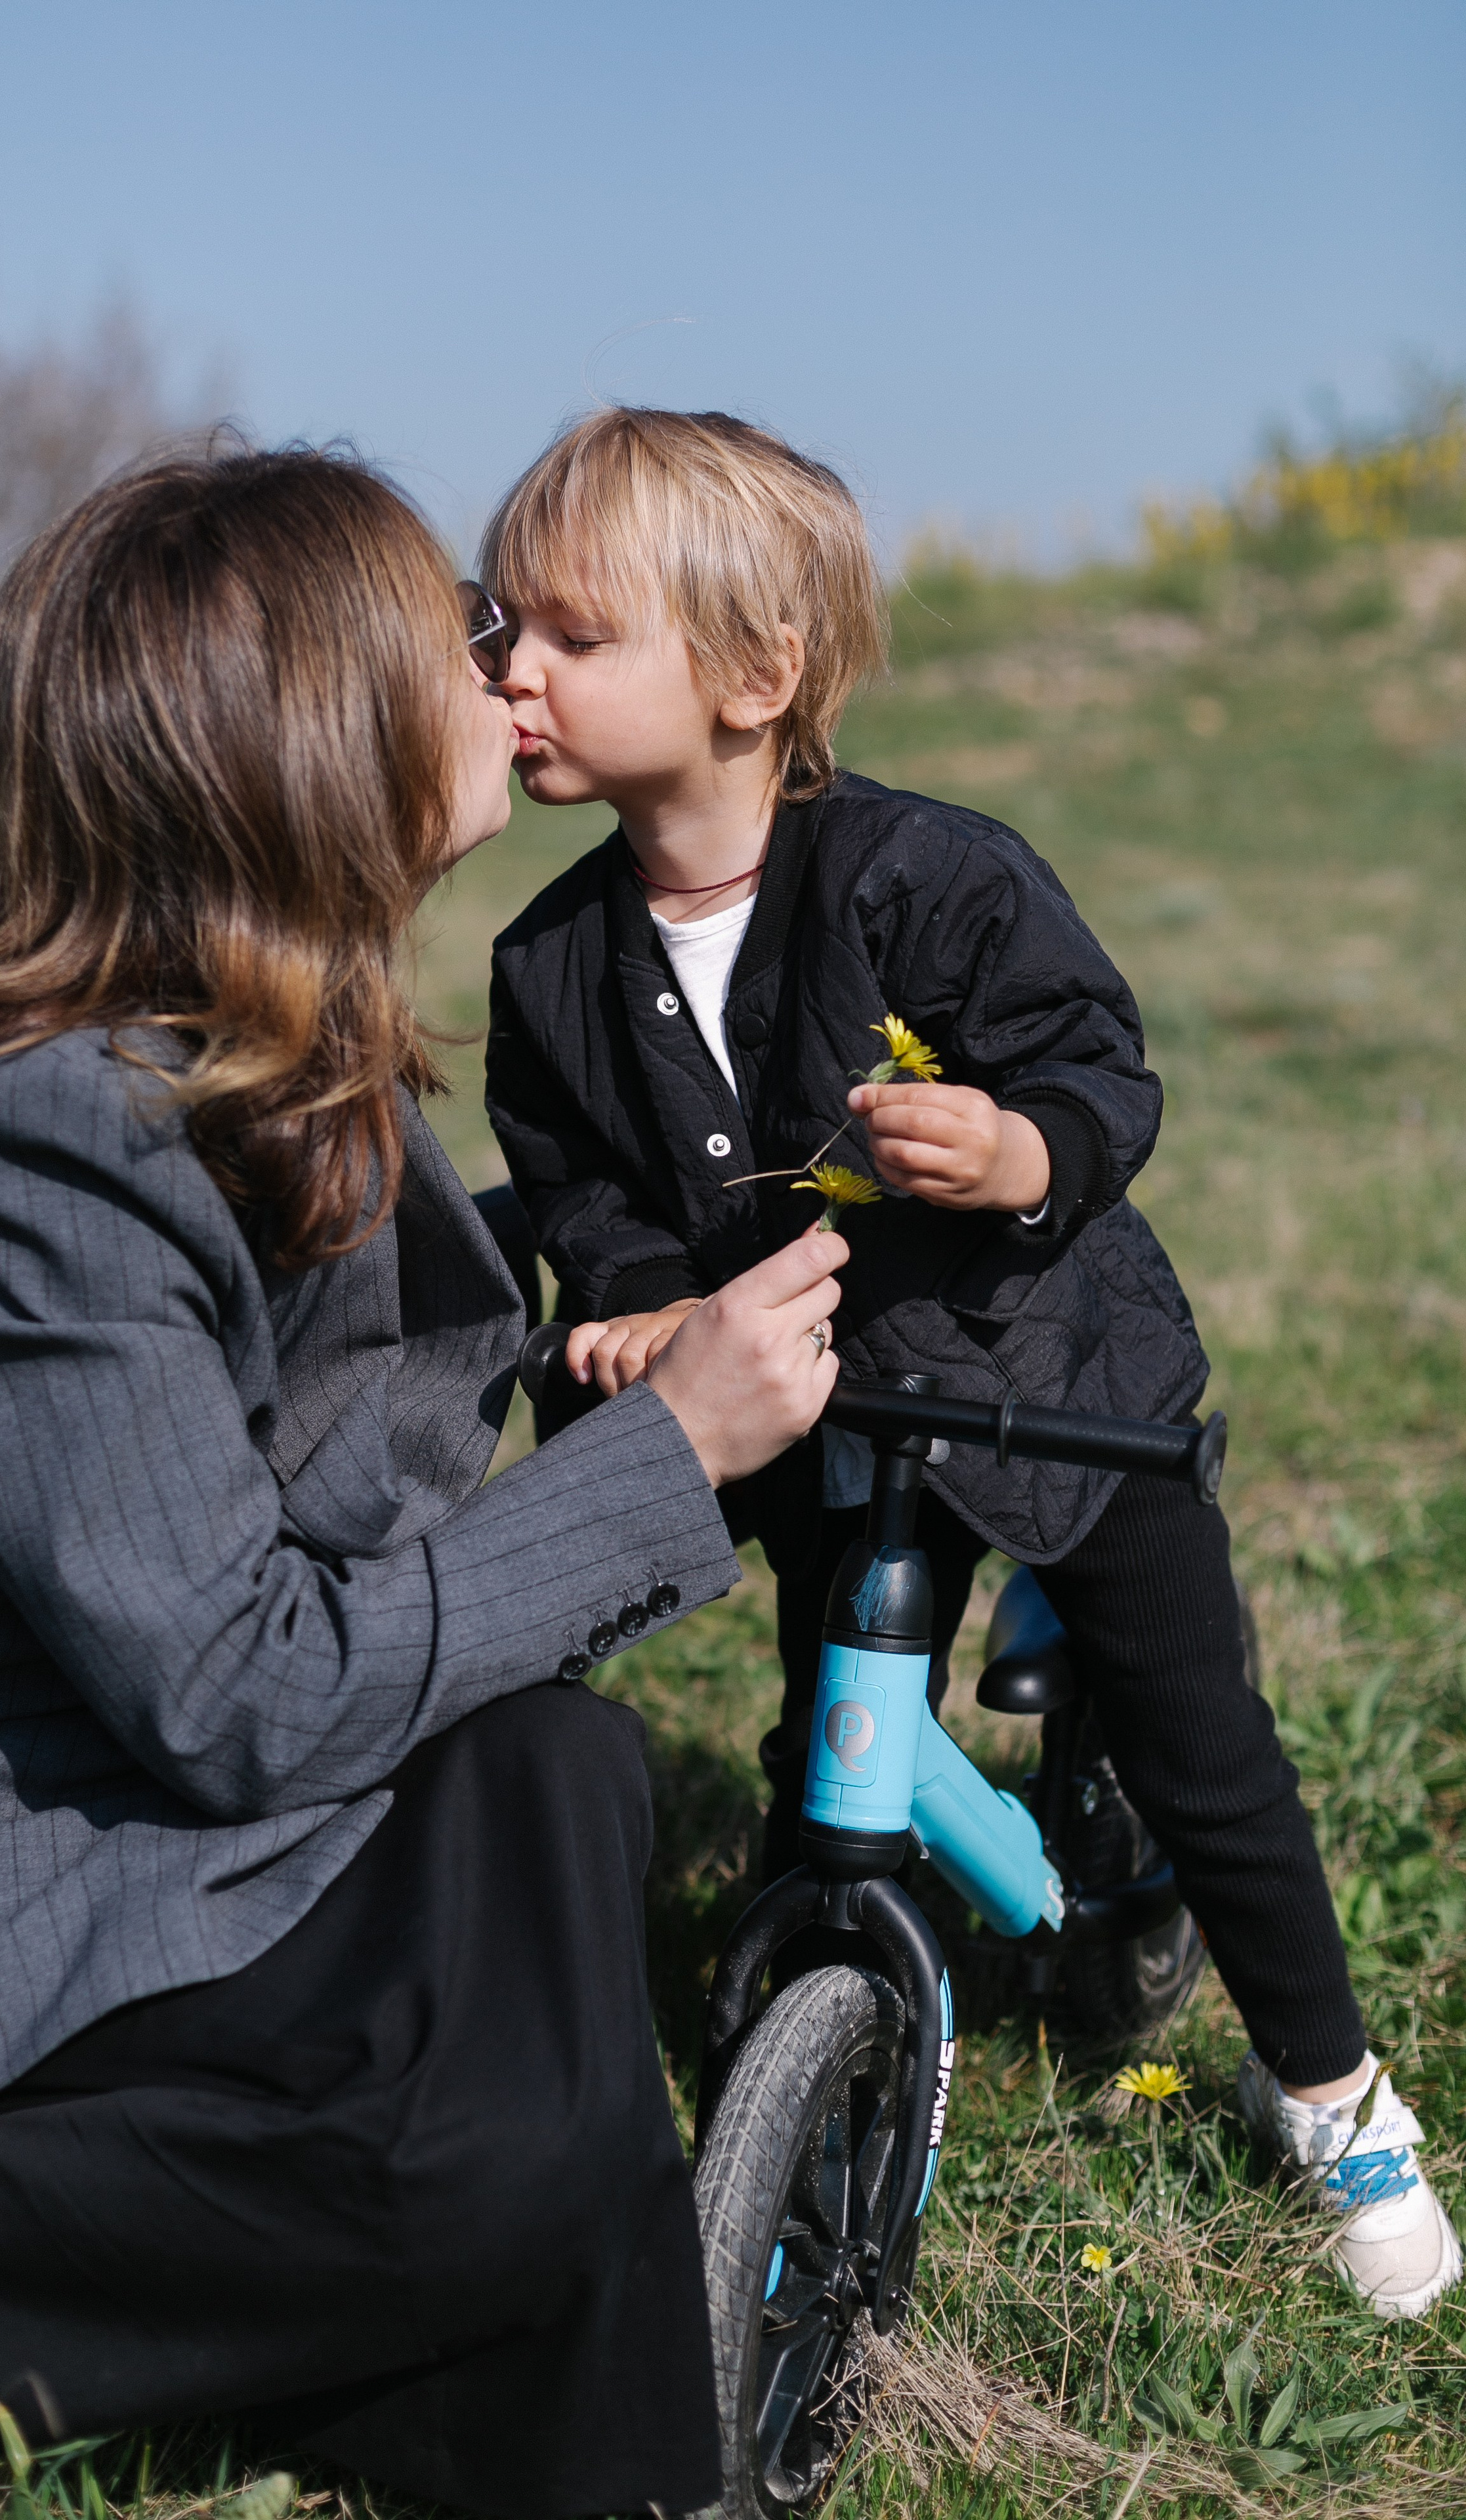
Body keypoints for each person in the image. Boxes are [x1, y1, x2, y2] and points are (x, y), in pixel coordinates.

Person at [0, 445, 852, 2502]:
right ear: (316, 740)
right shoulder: (49, 1142)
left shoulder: (257, 1032)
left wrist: (603, 1329)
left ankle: (520, 2413)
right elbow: (243, 1697)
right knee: (497, 2148)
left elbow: (312, 1451)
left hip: (121, 1750)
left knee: (565, 1777)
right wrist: (667, 1450)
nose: (507, 680)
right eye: (464, 638)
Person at [480, 406, 1461, 2321]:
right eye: (508, 627)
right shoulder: (547, 966)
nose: (514, 667)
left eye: (574, 635)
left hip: (1051, 1380)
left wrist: (1021, 1151)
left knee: (1206, 1746)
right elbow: (580, 1185)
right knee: (825, 1742)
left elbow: (1101, 1066)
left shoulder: (927, 880)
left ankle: (1334, 2086)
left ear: (757, 677)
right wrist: (626, 1296)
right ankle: (806, 2043)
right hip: (833, 1424)